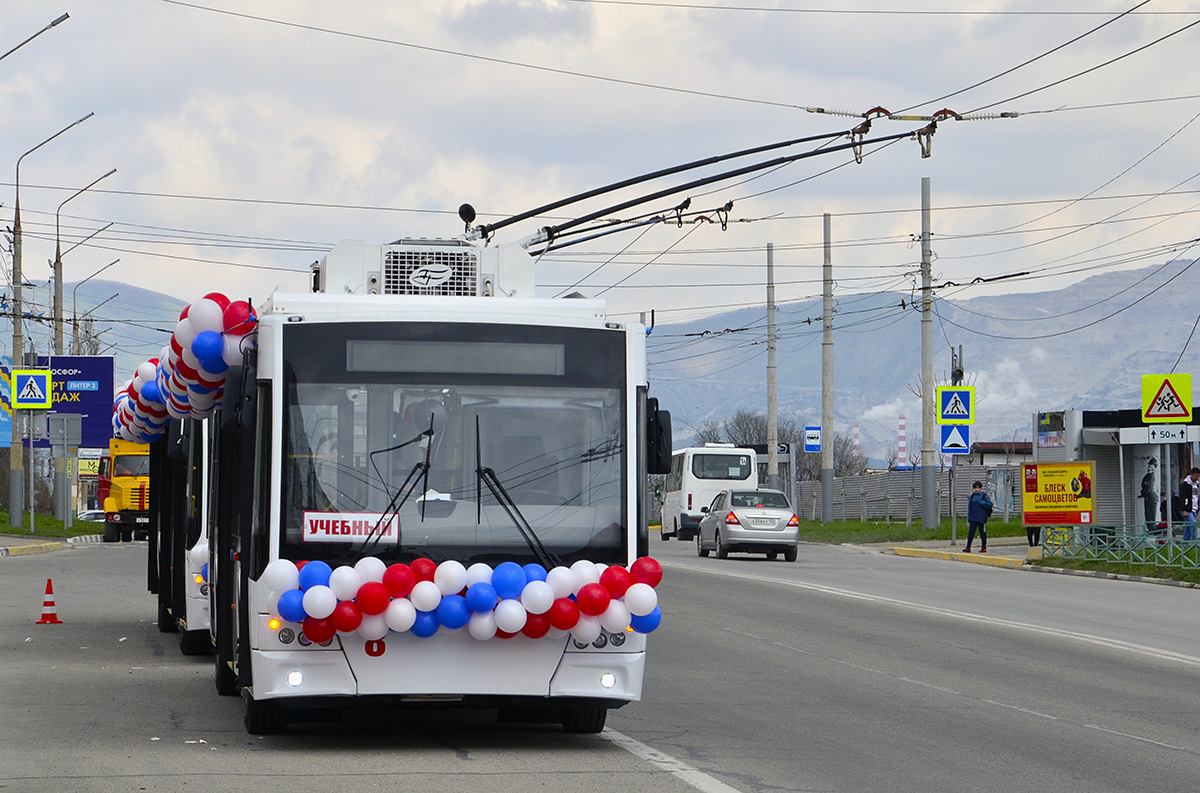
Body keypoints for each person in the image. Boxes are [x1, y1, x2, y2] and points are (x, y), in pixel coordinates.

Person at [963, 480, 993, 553]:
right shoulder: (972, 496)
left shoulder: (984, 496)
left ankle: (983, 547)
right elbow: (970, 507)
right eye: (975, 488)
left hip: (982, 518)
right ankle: (968, 547)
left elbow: (990, 504)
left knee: (982, 532)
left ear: (981, 488)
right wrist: (969, 518)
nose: (977, 489)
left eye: (978, 488)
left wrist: (982, 503)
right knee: (971, 533)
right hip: (973, 517)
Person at [1180, 467, 1199, 542]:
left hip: (1194, 509)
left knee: (1187, 528)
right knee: (1193, 525)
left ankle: (1185, 544)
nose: (1197, 478)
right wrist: (1183, 510)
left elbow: (1197, 497)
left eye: (1198, 476)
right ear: (1192, 475)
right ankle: (1195, 544)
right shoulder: (1185, 485)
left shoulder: (1196, 485)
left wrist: (1197, 509)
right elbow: (1182, 498)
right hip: (1187, 509)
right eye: (1196, 476)